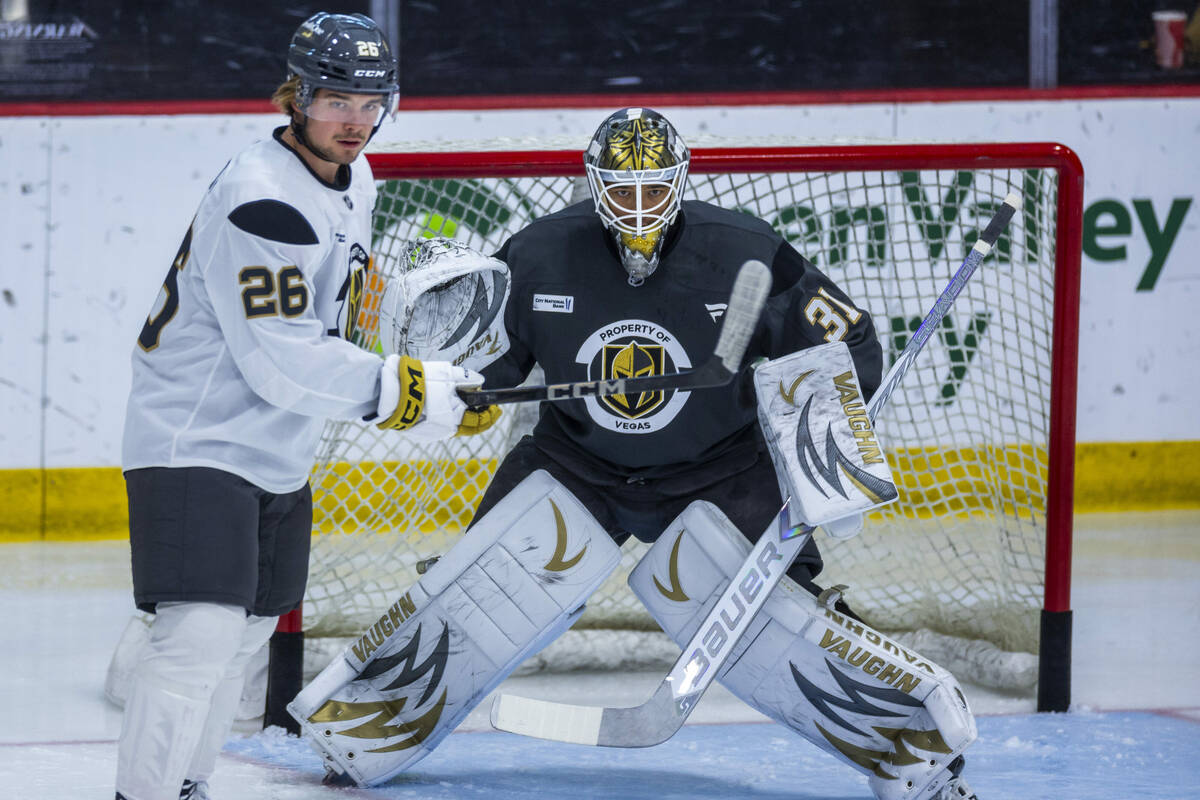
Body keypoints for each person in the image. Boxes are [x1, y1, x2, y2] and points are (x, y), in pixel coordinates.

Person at [292, 108, 977, 799]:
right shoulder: (538, 252)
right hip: (574, 460)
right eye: (623, 191)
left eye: (654, 190)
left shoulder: (746, 250)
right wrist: (456, 390)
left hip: (722, 467)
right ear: (594, 184)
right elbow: (488, 368)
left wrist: (820, 445)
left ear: (680, 182)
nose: (640, 209)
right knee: (472, 592)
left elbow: (850, 343)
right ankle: (360, 727)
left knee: (783, 616)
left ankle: (916, 755)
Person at [114, 13, 498, 800]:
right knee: (199, 637)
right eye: (335, 99)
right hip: (197, 439)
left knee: (247, 633)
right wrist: (412, 392)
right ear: (296, 97)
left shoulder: (355, 182)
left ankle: (187, 784)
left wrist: (429, 375)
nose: (354, 120)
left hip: (276, 447)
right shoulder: (263, 200)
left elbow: (333, 319)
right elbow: (281, 360)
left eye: (370, 102)